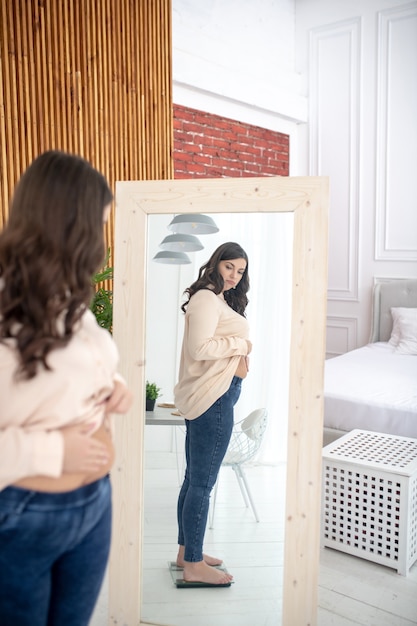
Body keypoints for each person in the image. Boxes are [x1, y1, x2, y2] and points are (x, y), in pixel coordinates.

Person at [0, 150, 133, 626]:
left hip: (94, 504)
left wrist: (113, 384)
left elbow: (69, 372)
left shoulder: (69, 300)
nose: (101, 242)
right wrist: (52, 453)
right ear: (66, 225)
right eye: (97, 226)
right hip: (23, 515)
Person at [174, 241, 252, 586]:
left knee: (194, 480)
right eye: (229, 267)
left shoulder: (214, 299)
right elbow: (199, 348)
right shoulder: (206, 298)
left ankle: (186, 552)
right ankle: (193, 565)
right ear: (216, 264)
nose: (235, 276)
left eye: (240, 270)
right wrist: (242, 346)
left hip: (214, 398)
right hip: (214, 399)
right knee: (202, 484)